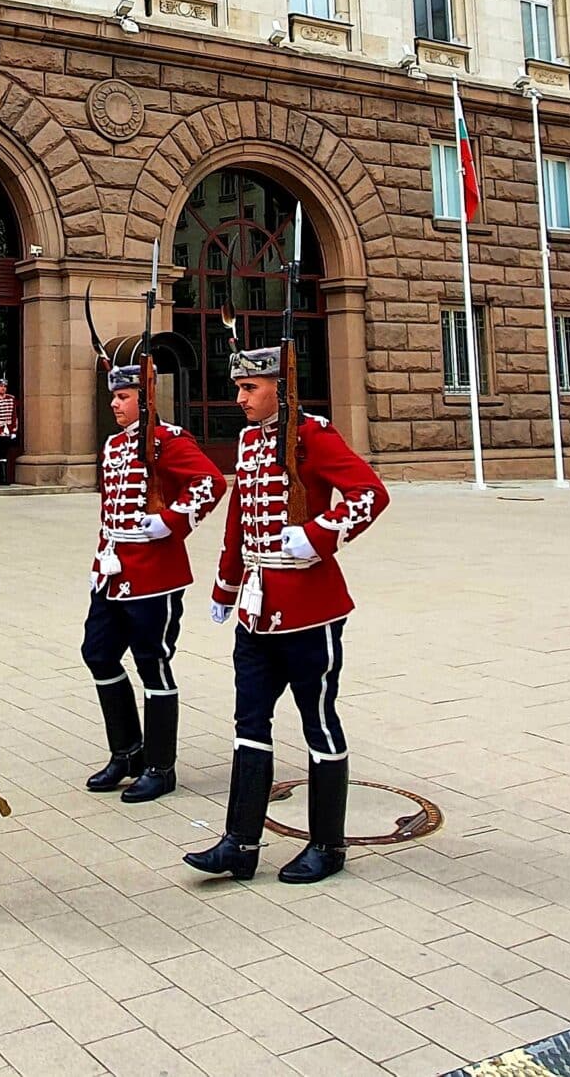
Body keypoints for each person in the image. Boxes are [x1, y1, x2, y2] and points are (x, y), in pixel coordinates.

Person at [184, 346, 388, 885]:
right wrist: (226, 584)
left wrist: (319, 534)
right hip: (257, 609)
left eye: (250, 388)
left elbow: (370, 493)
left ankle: (328, 844)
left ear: (281, 385)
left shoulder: (312, 434)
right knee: (249, 723)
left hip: (308, 611)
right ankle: (240, 843)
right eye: (239, 388)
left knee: (318, 723)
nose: (239, 398)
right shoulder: (251, 440)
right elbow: (239, 516)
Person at [83, 362, 225, 803]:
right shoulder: (113, 445)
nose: (114, 404)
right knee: (99, 654)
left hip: (154, 574)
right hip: (114, 569)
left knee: (152, 663)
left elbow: (211, 482)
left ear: (146, 400)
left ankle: (160, 766)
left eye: (123, 397)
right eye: (114, 397)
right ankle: (127, 750)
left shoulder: (168, 441)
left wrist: (170, 521)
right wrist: (102, 556)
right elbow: (111, 508)